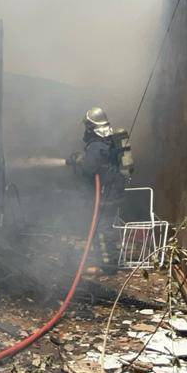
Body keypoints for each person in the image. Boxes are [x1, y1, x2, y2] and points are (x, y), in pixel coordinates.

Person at [66, 106, 131, 273]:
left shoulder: (96, 144)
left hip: (106, 192)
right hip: (112, 189)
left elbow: (89, 169)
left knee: (102, 228)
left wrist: (79, 161)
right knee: (102, 226)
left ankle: (108, 265)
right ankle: (105, 260)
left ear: (90, 126)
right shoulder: (108, 140)